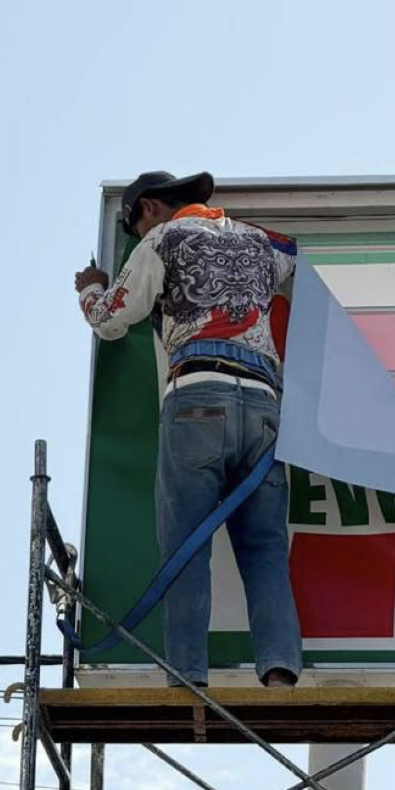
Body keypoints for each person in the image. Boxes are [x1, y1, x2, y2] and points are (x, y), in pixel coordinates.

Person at [74, 170, 302, 689]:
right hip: (264, 406)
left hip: (197, 396)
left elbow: (110, 320)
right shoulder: (261, 244)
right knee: (266, 551)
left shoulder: (162, 238)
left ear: (149, 208)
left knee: (185, 551)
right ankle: (280, 676)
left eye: (134, 225)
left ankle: (188, 680)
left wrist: (91, 288)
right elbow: (295, 253)